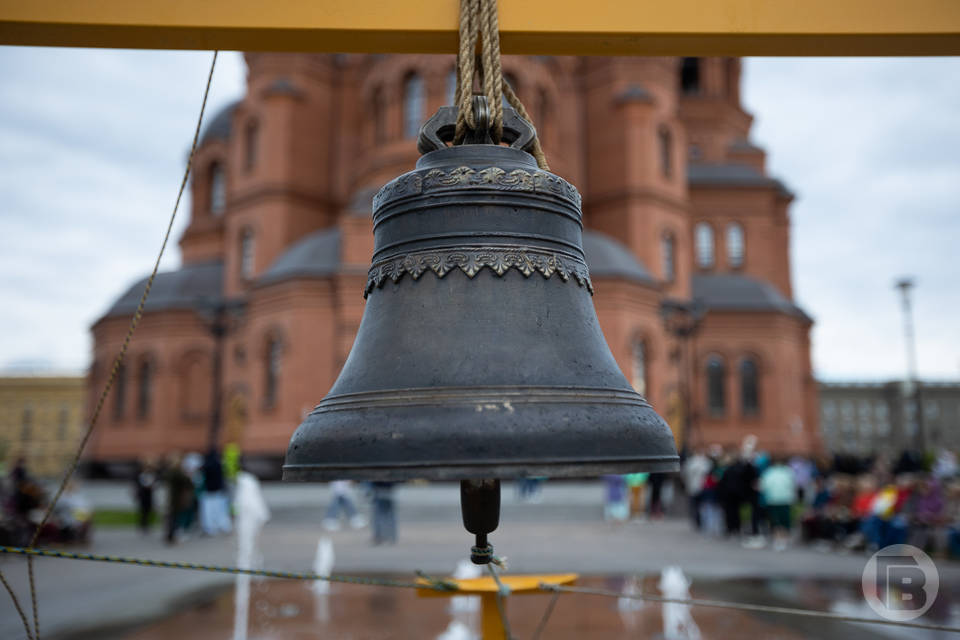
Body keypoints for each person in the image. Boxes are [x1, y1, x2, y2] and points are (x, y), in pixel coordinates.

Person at [760, 456, 796, 551]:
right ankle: (783, 539)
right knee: (783, 520)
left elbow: (764, 486)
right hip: (783, 499)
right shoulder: (788, 471)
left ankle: (779, 539)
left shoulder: (769, 472)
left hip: (774, 499)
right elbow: (792, 485)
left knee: (777, 520)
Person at [200, 448, 233, 536]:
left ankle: (211, 528)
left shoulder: (206, 466)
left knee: (209, 512)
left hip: (209, 491)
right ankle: (223, 526)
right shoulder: (219, 465)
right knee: (220, 511)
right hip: (218, 491)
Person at [164, 453, 194, 545]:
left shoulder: (170, 471)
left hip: (172, 497)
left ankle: (170, 536)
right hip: (177, 498)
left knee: (172, 517)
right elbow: (188, 482)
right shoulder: (177, 472)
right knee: (174, 518)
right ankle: (172, 536)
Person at [682, 448, 711, 530]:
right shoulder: (705, 462)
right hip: (699, 487)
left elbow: (685, 475)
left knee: (696, 506)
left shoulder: (692, 462)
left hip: (698, 487)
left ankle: (698, 521)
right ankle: (699, 521)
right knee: (698, 506)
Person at [133, 458, 157, 535]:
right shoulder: (139, 474)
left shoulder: (152, 474)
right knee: (142, 510)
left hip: (149, 494)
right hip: (143, 494)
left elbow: (154, 483)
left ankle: (146, 524)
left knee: (148, 509)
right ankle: (142, 525)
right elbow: (137, 484)